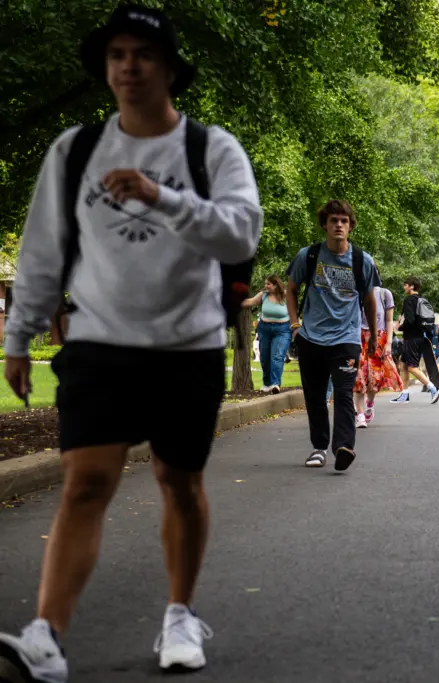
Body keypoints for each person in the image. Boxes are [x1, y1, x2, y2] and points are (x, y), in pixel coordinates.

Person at [0, 5, 263, 679]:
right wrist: (19, 335)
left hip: (187, 344)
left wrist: (161, 196)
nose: (128, 66)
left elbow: (241, 235)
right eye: (117, 54)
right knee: (85, 482)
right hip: (100, 342)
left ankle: (180, 613)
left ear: (170, 68)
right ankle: (46, 634)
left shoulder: (211, 149)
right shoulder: (77, 150)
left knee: (179, 480)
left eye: (143, 54)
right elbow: (41, 251)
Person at [287, 199, 380, 470]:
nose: (339, 225)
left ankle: (343, 446)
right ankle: (318, 448)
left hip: (346, 339)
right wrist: (295, 326)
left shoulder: (362, 260)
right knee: (315, 397)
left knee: (342, 393)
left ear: (351, 226)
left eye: (344, 221)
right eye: (333, 220)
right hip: (311, 338)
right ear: (325, 225)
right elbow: (291, 289)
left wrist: (373, 334)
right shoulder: (309, 255)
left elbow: (369, 300)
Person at [354, 285, 402, 428]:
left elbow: (389, 321)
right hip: (358, 337)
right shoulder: (356, 291)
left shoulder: (384, 294)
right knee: (359, 377)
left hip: (379, 338)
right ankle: (360, 415)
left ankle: (370, 403)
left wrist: (388, 343)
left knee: (374, 378)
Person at [390, 277, 439, 404]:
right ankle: (405, 394)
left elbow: (410, 320)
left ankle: (433, 389)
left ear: (412, 287)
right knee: (403, 365)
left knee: (412, 367)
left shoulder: (409, 300)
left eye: (406, 285)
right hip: (420, 337)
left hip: (411, 338)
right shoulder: (422, 300)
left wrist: (400, 327)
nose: (404, 287)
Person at [242, 275, 290, 394]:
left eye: (268, 284)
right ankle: (267, 383)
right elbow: (250, 302)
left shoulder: (286, 296)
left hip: (282, 330)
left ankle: (275, 384)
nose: (265, 286)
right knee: (264, 357)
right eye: (265, 284)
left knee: (277, 356)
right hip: (265, 329)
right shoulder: (263, 295)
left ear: (276, 285)